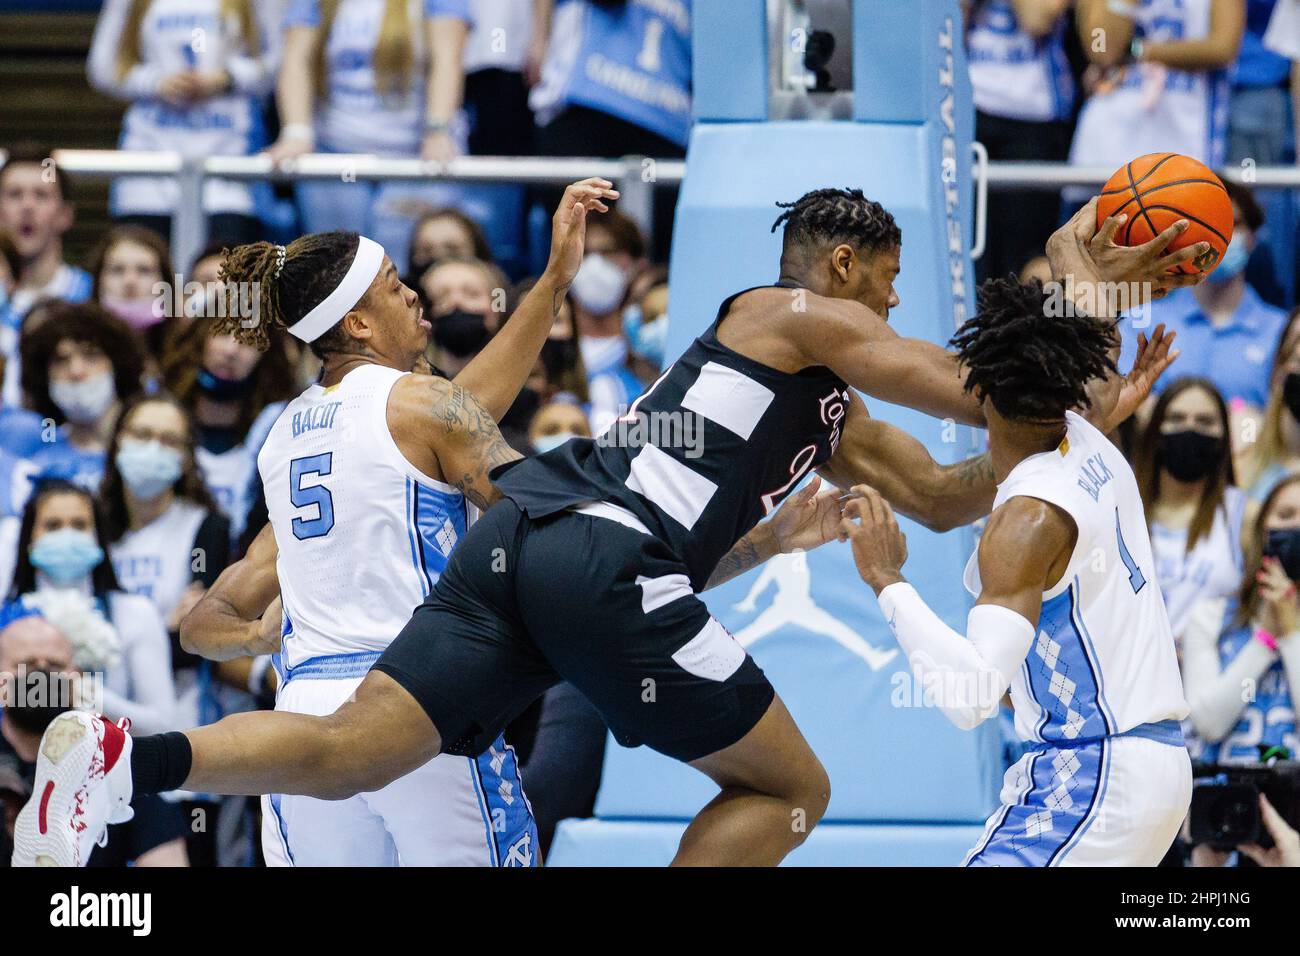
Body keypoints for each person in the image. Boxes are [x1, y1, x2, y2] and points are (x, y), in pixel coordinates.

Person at [11, 187, 1197, 869]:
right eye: (884, 279)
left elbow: (948, 490)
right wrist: (1077, 289)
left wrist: (1075, 424)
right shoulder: (791, 311)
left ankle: (127, 759)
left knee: (357, 746)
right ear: (841, 264)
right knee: (791, 790)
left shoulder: (819, 406)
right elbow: (968, 382)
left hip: (527, 532)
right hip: (600, 550)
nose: (889, 303)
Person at [176, 178, 616, 867]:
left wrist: (256, 635)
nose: (413, 292)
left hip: (304, 716)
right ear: (357, 322)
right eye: (391, 283)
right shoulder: (421, 405)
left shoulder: (283, 437)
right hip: (416, 696)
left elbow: (199, 626)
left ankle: (128, 762)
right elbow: (533, 507)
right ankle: (135, 763)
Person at [838, 268, 1194, 866]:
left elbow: (972, 696)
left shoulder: (1027, 519)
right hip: (1144, 762)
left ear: (978, 387)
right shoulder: (1089, 439)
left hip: (1094, 772)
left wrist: (886, 579)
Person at [268, 0, 474, 273]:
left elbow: (447, 59)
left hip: (411, 153)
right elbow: (296, 60)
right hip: (336, 150)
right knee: (337, 266)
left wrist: (437, 129)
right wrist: (296, 131)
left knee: (399, 264)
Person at [87, 0, 283, 245]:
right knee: (143, 272)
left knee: (227, 278)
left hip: (228, 167)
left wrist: (227, 78)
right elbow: (102, 67)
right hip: (148, 165)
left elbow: (280, 61)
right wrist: (154, 82)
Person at [0, 609, 186, 868]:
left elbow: (166, 859)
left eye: (55, 666)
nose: (41, 677)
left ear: (77, 676)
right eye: (27, 664)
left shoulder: (115, 763)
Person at [1180, 473, 1300, 765]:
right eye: (1285, 516)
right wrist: (1266, 639)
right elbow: (1209, 724)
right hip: (1221, 796)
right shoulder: (1210, 617)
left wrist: (1292, 633)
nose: (1297, 526)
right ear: (1262, 531)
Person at [964, 0, 1076, 283]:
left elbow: (1037, 18)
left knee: (1026, 260)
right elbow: (946, 22)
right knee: (966, 253)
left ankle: (1024, 328)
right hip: (966, 106)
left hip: (1033, 117)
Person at [160, 315, 298, 544]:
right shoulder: (162, 418)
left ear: (266, 354)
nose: (232, 350)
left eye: (248, 340)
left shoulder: (275, 433)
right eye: (223, 333)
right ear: (200, 339)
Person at [1133, 377, 1245, 641]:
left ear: (1223, 436)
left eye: (1205, 422)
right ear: (1156, 431)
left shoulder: (1243, 515)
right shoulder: (1121, 507)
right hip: (1131, 675)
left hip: (1207, 675)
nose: (1189, 429)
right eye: (1176, 419)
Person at [0, 146, 93, 408]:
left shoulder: (91, 299)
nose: (27, 206)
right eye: (14, 195)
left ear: (65, 215)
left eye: (41, 195)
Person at [19, 303, 147, 491]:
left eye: (91, 356)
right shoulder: (39, 466)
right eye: (61, 361)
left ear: (118, 366)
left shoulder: (150, 448)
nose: (76, 371)